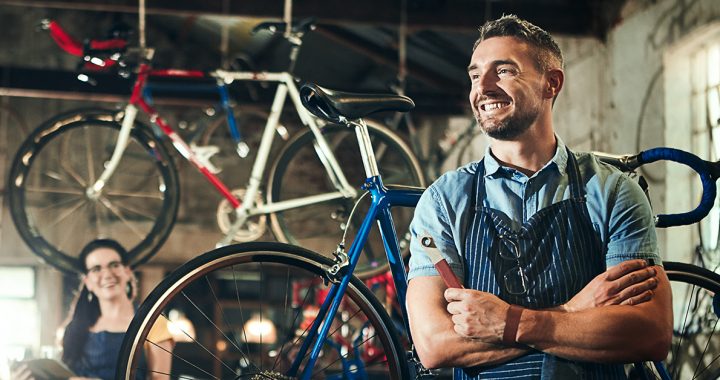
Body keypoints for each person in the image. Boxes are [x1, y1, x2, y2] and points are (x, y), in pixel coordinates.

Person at [406, 14, 672, 379]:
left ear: (551, 83)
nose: (482, 87)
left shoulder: (612, 192)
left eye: (503, 71)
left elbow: (650, 332)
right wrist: (571, 312)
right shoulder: (444, 201)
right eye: (474, 74)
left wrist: (508, 322)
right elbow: (435, 345)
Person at [12, 239, 174, 380]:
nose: (107, 274)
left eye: (114, 265)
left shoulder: (153, 322)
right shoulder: (74, 327)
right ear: (88, 281)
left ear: (127, 272)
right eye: (96, 269)